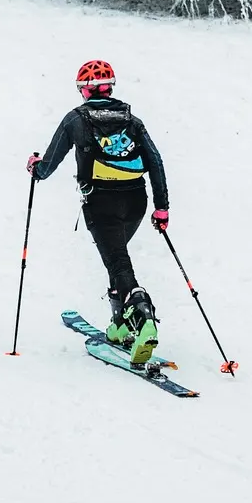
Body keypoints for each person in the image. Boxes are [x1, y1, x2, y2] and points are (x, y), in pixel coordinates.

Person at [26, 59, 170, 364]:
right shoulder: (132, 120)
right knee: (116, 256)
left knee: (117, 260)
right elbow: (155, 162)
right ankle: (119, 325)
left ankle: (142, 314)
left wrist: (35, 168)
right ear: (110, 87)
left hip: (100, 202)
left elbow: (48, 166)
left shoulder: (76, 119)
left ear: (84, 90)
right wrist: (161, 209)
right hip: (136, 202)